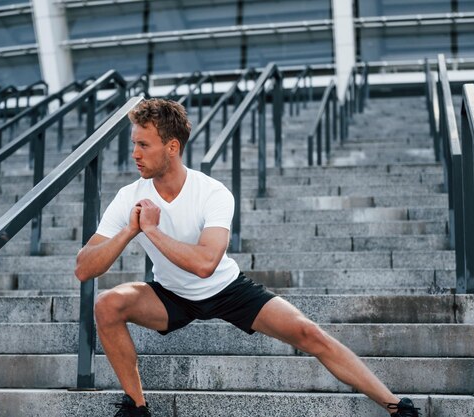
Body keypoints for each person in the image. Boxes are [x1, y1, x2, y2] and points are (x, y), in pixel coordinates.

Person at [75, 98, 420, 417]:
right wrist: (128, 231)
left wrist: (152, 231)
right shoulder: (129, 196)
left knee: (307, 332)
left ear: (172, 147)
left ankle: (395, 406)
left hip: (226, 288)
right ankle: (137, 408)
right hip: (170, 295)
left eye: (143, 144)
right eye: (134, 143)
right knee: (107, 304)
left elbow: (206, 263)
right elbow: (84, 268)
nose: (134, 153)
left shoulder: (211, 193)